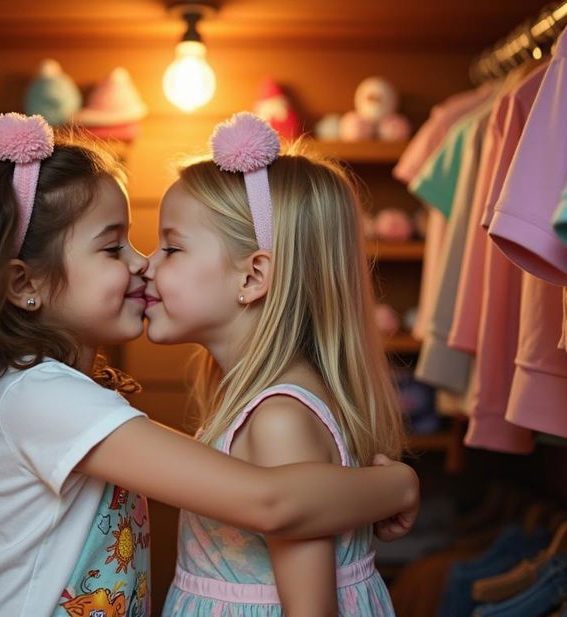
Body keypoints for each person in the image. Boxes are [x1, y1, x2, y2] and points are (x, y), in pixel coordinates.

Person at [0, 113, 418, 617]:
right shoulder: (42, 396)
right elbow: (270, 501)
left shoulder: (61, 391)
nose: (142, 264)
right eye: (113, 248)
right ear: (26, 284)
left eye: (161, 246)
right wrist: (396, 488)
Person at [145, 112, 404, 616]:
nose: (147, 265)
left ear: (253, 276)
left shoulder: (279, 421)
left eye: (171, 247)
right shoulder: (267, 403)